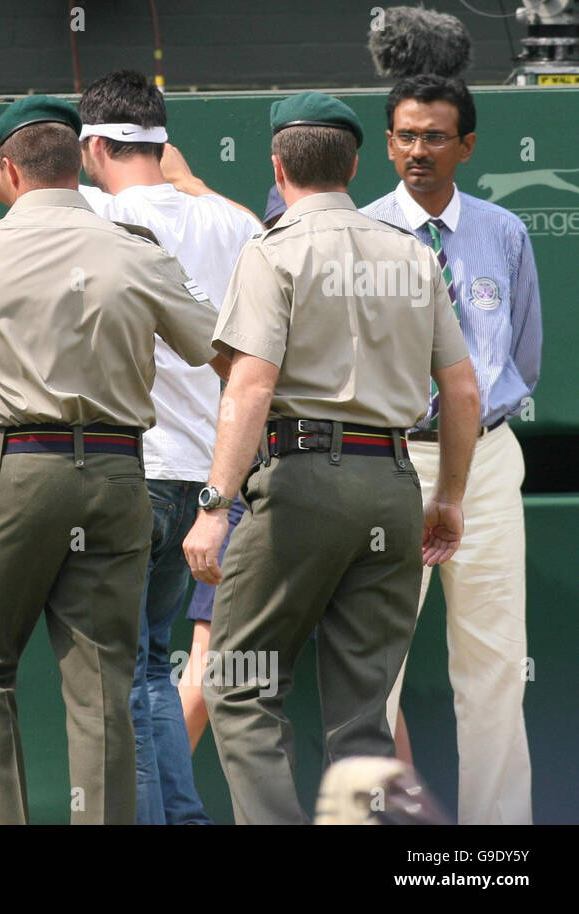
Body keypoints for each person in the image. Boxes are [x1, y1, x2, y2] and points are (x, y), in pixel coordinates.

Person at [0, 52, 257, 826]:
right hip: (124, 478)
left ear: (10, 168)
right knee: (105, 686)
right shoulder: (140, 253)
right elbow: (227, 355)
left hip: (19, 471)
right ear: (77, 161)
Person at [182, 92, 480, 825]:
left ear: (279, 168)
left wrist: (215, 506)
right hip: (393, 482)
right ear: (354, 165)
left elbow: (249, 387)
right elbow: (463, 390)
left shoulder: (273, 250)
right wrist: (448, 498)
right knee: (364, 712)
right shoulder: (414, 253)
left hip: (302, 483)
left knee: (242, 685)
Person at [361, 74, 540, 825]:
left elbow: (522, 357)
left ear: (467, 145)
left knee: (494, 667)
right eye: (405, 134)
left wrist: (472, 431)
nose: (418, 150)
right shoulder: (360, 231)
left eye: (435, 136)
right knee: (375, 672)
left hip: (489, 459)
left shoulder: (504, 232)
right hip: (391, 458)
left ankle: (495, 850)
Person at [177, 187, 287, 751]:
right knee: (366, 684)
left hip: (268, 489)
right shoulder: (261, 265)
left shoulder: (262, 269)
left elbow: (249, 392)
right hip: (294, 485)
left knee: (370, 689)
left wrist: (216, 506)